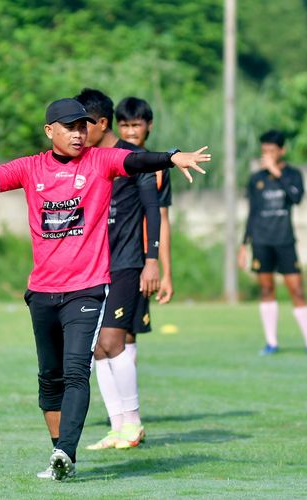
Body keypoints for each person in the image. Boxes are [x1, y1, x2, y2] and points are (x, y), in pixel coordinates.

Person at [0, 97, 211, 481]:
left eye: (83, 127)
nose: (79, 134)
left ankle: (65, 453)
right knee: (49, 379)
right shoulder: (30, 168)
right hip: (42, 292)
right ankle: (59, 452)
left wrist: (171, 156)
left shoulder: (99, 162)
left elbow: (137, 161)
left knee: (77, 371)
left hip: (87, 289)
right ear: (50, 131)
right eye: (70, 127)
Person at [74, 89, 160, 451]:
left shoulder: (134, 157)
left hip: (127, 263)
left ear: (102, 123)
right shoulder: (87, 160)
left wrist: (152, 260)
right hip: (95, 265)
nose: (77, 132)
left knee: (112, 341)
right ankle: (117, 426)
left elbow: (152, 209)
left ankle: (134, 422)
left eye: (82, 125)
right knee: (96, 348)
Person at [237, 130, 307, 356]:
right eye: (264, 151)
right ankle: (271, 343)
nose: (267, 155)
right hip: (261, 241)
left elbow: (296, 198)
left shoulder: (293, 175)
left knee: (297, 290)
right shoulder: (256, 180)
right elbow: (253, 213)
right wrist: (244, 245)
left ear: (282, 151)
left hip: (285, 240)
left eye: (271, 151)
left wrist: (276, 173)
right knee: (267, 289)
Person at [115, 97, 174, 357]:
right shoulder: (107, 160)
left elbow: (161, 219)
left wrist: (164, 270)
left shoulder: (157, 167)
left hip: (136, 260)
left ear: (149, 126)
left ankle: (125, 398)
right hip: (105, 257)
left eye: (136, 125)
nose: (130, 132)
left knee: (127, 332)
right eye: (124, 125)